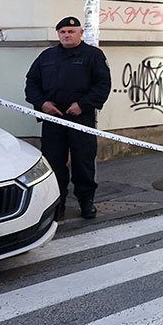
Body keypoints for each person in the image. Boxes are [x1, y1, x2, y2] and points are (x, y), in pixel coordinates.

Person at [25, 16, 112, 221]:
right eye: (62, 32)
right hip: (53, 119)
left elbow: (102, 85)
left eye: (71, 32)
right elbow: (32, 83)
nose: (66, 35)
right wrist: (42, 104)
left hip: (81, 118)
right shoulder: (47, 56)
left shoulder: (93, 56)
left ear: (81, 34)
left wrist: (82, 105)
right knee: (54, 163)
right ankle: (59, 203)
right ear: (58, 34)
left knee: (83, 161)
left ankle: (86, 201)